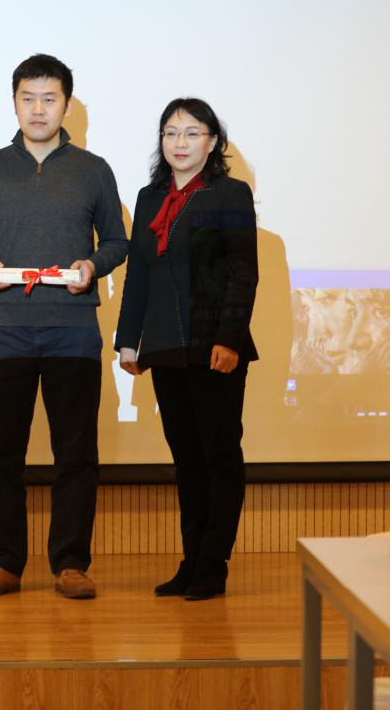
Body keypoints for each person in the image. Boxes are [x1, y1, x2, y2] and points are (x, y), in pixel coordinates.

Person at [0, 54, 128, 599]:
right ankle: (2, 563)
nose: (38, 109)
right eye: (28, 98)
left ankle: (71, 564)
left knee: (75, 454)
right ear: (14, 103)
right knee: (0, 454)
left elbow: (117, 242)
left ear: (66, 105)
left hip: (72, 331)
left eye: (49, 99)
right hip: (4, 329)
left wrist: (92, 266)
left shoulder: (94, 169)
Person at [115, 97, 258, 601]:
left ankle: (213, 563)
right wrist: (128, 340)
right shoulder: (149, 197)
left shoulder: (230, 194)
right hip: (164, 347)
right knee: (187, 460)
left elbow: (243, 274)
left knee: (219, 456)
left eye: (192, 133)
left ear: (213, 142)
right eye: (171, 133)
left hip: (213, 346)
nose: (180, 143)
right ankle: (191, 559)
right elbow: (138, 275)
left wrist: (229, 338)